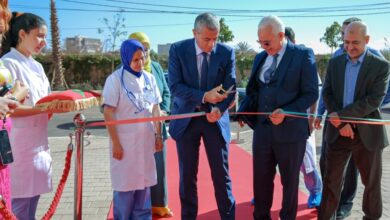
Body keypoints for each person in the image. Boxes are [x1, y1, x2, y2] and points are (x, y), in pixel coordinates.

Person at [237, 15, 318, 219]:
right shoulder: (260, 57)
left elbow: (311, 93)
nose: (264, 47)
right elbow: (253, 88)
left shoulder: (302, 54)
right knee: (261, 180)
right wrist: (246, 111)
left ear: (281, 36)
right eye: (260, 42)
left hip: (291, 133)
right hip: (263, 132)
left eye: (267, 42)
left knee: (289, 183)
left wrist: (287, 112)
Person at [314, 16, 385, 219]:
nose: (350, 47)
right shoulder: (335, 63)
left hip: (367, 135)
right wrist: (341, 122)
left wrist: (342, 117)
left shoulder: (381, 66)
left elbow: (374, 100)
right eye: (346, 42)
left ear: (367, 40)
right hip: (337, 133)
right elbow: (326, 94)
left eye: (355, 43)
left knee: (371, 184)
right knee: (331, 182)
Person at [168, 12, 236, 220]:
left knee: (221, 175)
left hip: (214, 120)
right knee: (187, 176)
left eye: (215, 38)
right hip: (187, 119)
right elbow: (175, 86)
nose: (212, 44)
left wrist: (219, 108)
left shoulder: (226, 52)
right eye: (207, 39)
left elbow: (229, 87)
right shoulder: (178, 50)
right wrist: (204, 97)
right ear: (194, 33)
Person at [103, 39, 163, 220]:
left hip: (146, 142)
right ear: (126, 58)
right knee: (125, 191)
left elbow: (156, 108)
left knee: (144, 191)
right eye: (135, 60)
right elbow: (108, 112)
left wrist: (158, 134)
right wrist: (116, 144)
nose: (139, 64)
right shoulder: (115, 80)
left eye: (142, 58)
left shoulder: (149, 78)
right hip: (125, 145)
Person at [1, 13, 51, 220]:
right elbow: (6, 108)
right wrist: (43, 110)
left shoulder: (37, 66)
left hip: (39, 144)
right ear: (22, 34)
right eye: (39, 36)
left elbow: (45, 99)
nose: (44, 42)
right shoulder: (7, 64)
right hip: (18, 147)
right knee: (17, 208)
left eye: (45, 37)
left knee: (33, 203)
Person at [128, 32, 173, 218]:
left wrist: (164, 110)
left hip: (157, 128)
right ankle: (136, 208)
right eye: (140, 49)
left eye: (146, 49)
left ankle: (159, 206)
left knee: (158, 167)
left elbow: (167, 93)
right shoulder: (125, 70)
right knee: (137, 170)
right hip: (135, 132)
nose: (144, 53)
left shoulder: (155, 67)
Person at [285, 26, 322, 209]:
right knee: (280, 161)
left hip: (303, 123)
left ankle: (315, 191)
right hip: (281, 123)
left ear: (292, 41)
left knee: (306, 163)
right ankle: (264, 194)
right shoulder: (273, 60)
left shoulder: (305, 59)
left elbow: (315, 93)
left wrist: (311, 119)